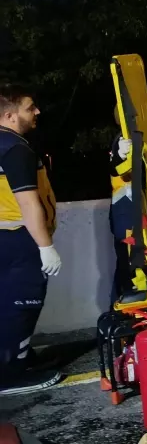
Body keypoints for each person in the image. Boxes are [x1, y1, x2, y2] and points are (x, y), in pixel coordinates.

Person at [0, 86, 63, 395]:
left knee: (6, 303)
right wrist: (46, 247)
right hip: (17, 239)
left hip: (4, 238)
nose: (37, 112)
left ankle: (18, 358)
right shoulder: (15, 148)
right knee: (21, 303)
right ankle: (9, 373)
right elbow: (27, 202)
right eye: (30, 108)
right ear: (10, 116)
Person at [109, 97, 147, 303]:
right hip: (127, 212)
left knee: (141, 259)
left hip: (139, 211)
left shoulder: (145, 141)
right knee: (130, 264)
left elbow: (143, 175)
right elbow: (116, 169)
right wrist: (119, 155)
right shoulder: (125, 139)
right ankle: (123, 307)